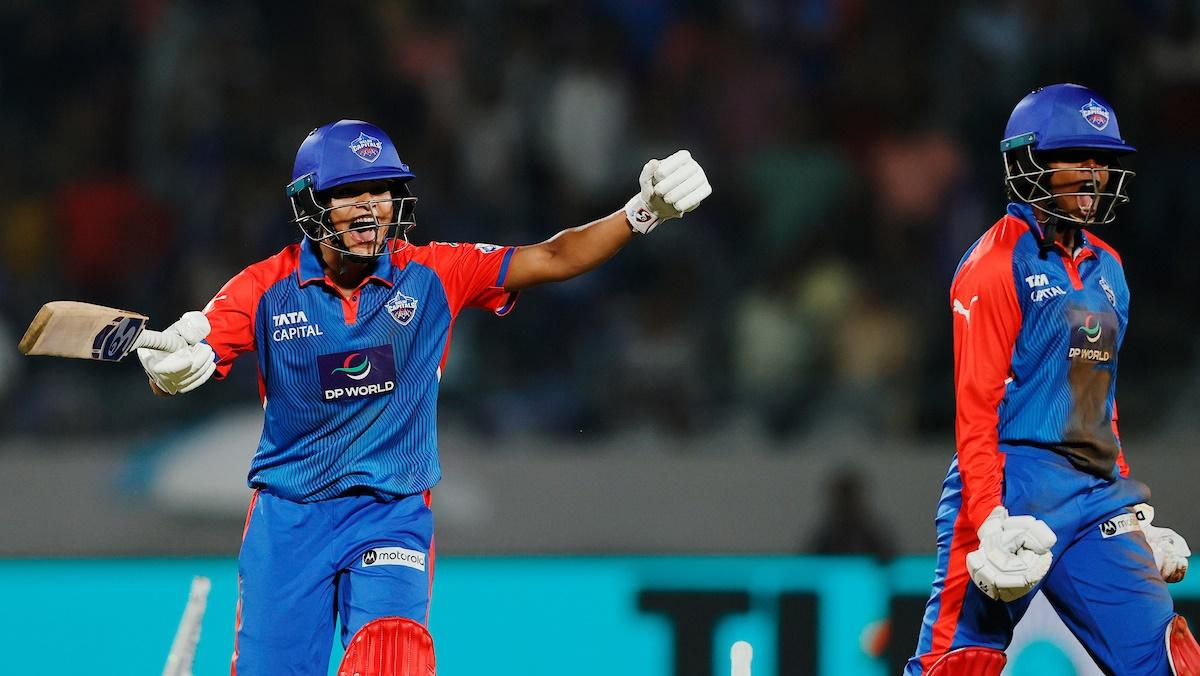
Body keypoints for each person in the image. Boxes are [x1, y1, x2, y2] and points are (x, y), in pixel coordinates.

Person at [134, 119, 712, 675]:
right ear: (311, 203)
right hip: (290, 519)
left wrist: (642, 213)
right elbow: (189, 353)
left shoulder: (436, 272)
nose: (369, 207)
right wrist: (174, 369)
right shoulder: (264, 287)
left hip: (391, 513)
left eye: (380, 190)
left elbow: (554, 256)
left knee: (394, 658)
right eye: (348, 192)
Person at [905, 84, 1198, 675]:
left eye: (1103, 160)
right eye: (1077, 157)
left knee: (1170, 661)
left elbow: (1098, 404)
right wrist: (987, 516)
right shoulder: (995, 263)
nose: (1095, 173)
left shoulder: (1109, 269)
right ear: (1030, 162)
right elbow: (976, 406)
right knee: (957, 665)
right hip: (1010, 483)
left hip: (1092, 495)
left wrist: (1132, 507)